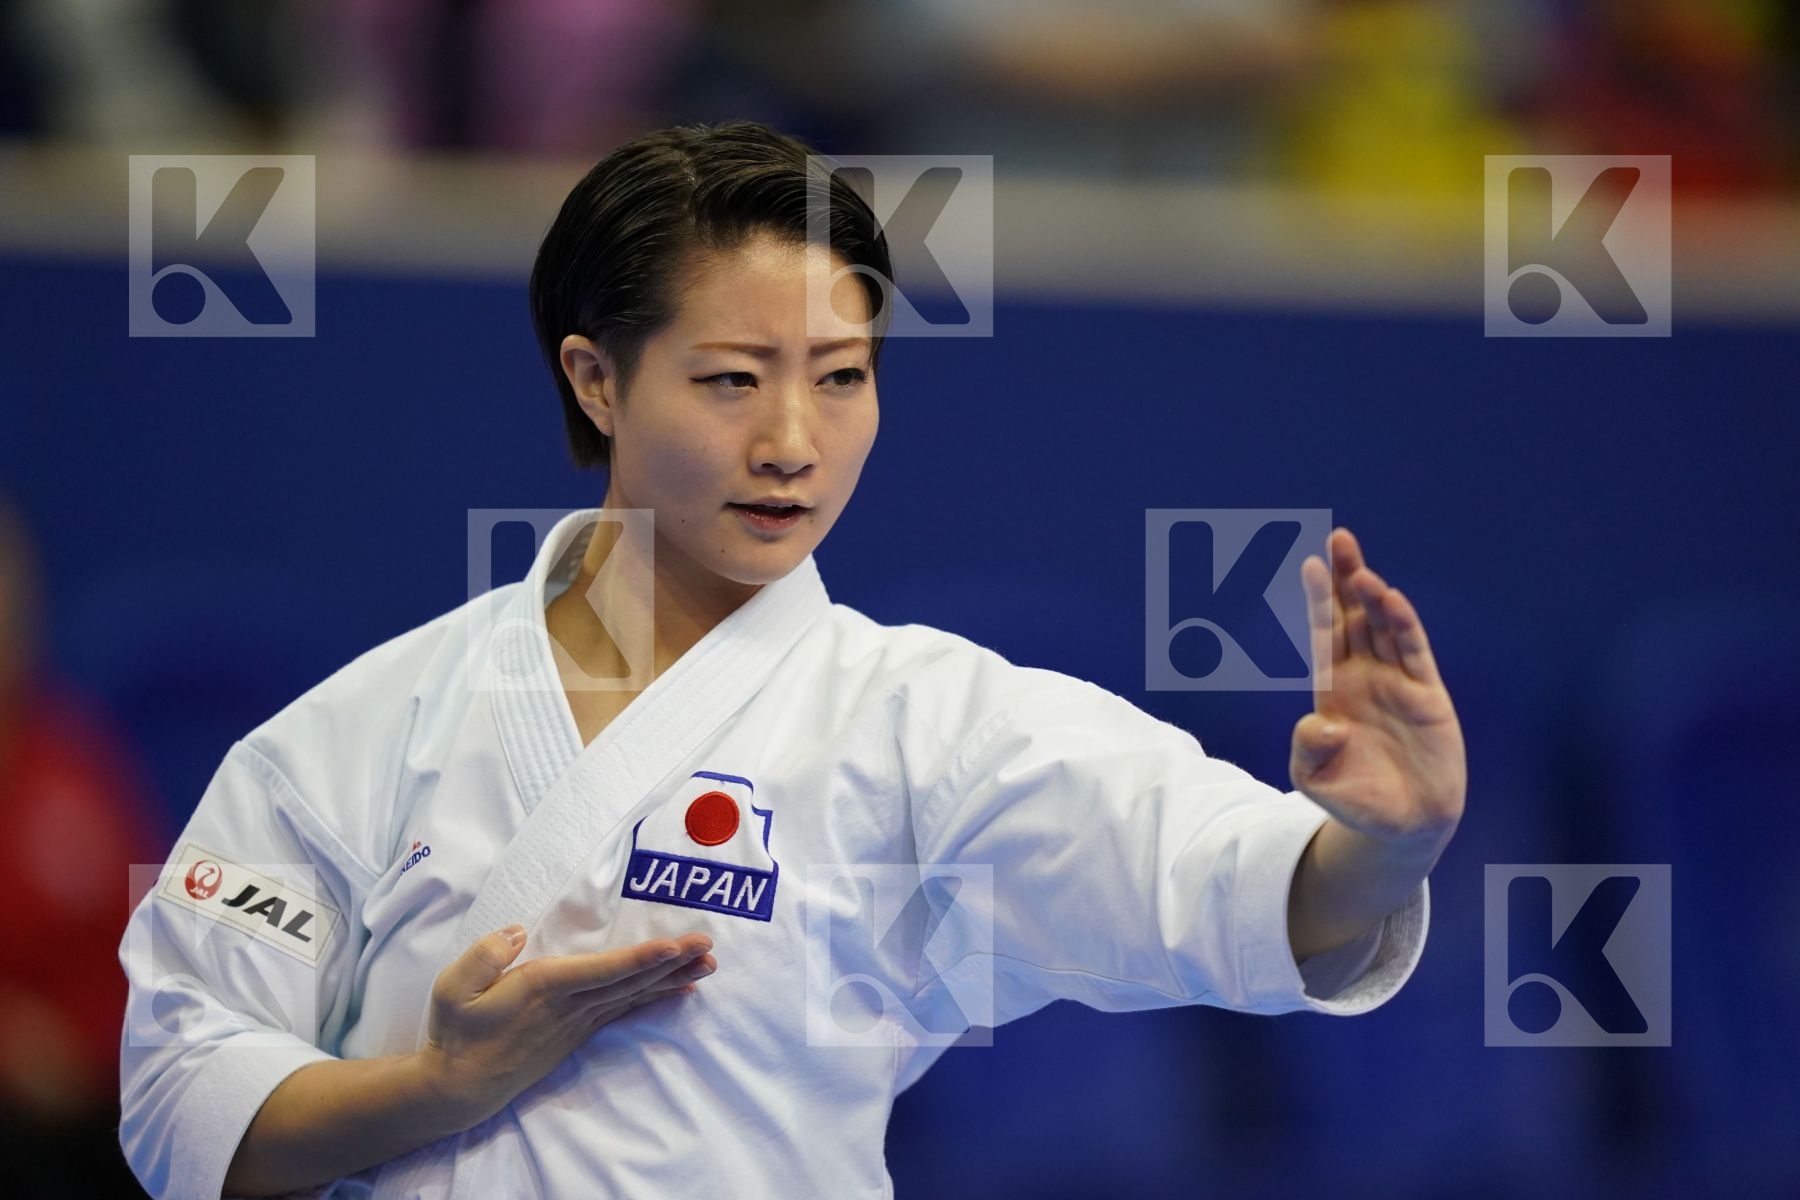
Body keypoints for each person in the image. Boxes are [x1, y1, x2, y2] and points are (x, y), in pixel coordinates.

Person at [117, 120, 1466, 1199]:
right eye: (729, 379)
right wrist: (439, 1088)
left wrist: (1382, 848)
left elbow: (1223, 884)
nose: (791, 441)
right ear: (596, 380)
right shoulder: (354, 733)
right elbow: (180, 1097)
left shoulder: (925, 726)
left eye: (839, 375)